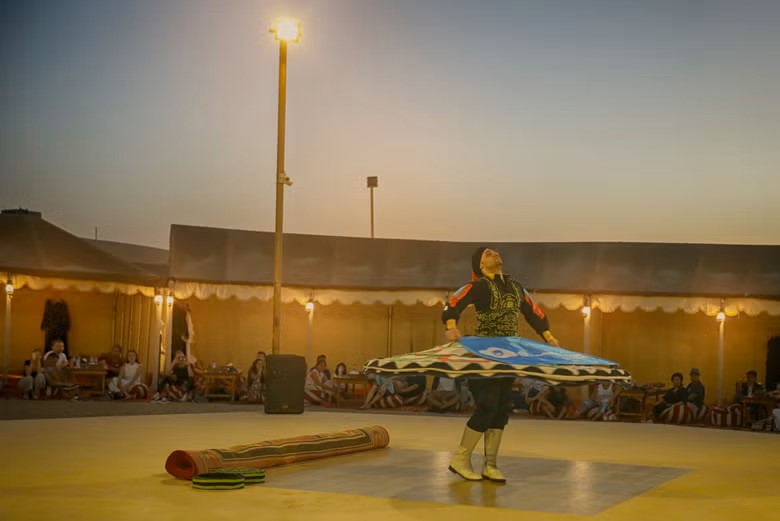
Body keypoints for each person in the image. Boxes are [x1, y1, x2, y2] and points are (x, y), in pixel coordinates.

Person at [442, 247, 560, 482]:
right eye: (488, 253)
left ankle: (491, 465)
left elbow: (533, 312)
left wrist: (548, 337)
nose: (495, 254)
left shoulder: (516, 288)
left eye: (495, 252)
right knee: (487, 406)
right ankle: (460, 459)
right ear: (481, 265)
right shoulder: (478, 286)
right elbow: (453, 302)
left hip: (508, 355)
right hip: (483, 354)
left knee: (501, 408)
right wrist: (451, 325)